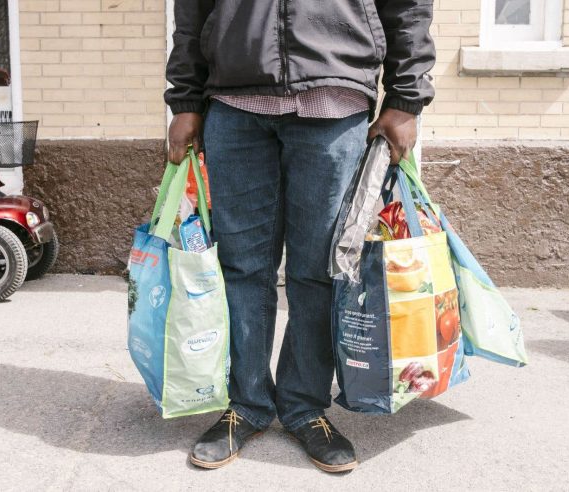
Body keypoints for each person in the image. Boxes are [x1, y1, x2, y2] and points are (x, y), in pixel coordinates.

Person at [164, 0, 435, 473]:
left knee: (319, 270)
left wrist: (405, 98)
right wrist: (185, 99)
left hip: (335, 100)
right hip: (234, 102)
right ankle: (247, 403)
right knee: (243, 268)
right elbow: (191, 10)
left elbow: (409, 7)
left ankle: (304, 406)